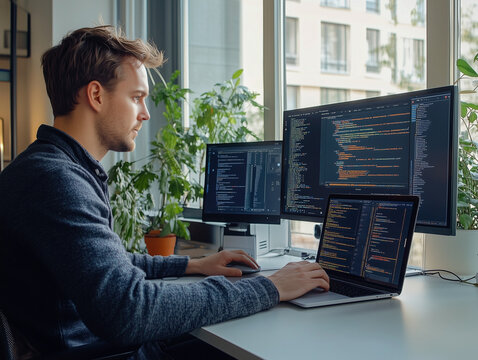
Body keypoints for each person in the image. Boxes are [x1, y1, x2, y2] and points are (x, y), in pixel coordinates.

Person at [0, 25, 329, 359]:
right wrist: (268, 287)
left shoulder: (50, 167)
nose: (144, 114)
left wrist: (191, 265)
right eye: (136, 97)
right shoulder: (56, 181)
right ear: (96, 95)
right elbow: (127, 312)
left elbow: (105, 264)